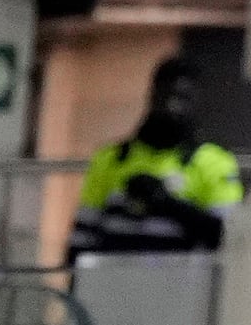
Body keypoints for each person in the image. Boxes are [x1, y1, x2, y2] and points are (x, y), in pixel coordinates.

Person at [73, 57, 240, 255]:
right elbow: (82, 236)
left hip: (181, 283)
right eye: (165, 95)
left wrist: (167, 204)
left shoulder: (216, 163)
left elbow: (229, 239)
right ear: (152, 96)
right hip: (116, 281)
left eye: (183, 98)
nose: (172, 106)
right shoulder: (112, 158)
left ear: (196, 103)